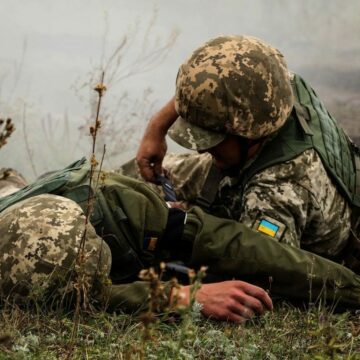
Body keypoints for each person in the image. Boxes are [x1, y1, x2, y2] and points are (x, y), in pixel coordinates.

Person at [1, 159, 360, 324]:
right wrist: (182, 296)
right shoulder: (23, 269)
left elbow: (233, 244)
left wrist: (351, 290)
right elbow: (94, 296)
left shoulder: (127, 210)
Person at [134, 35, 360, 270]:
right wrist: (157, 128)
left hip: (284, 215)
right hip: (246, 160)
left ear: (249, 131)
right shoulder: (270, 87)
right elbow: (214, 81)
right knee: (139, 178)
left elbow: (255, 276)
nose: (202, 148)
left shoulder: (277, 192)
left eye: (213, 138)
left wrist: (185, 226)